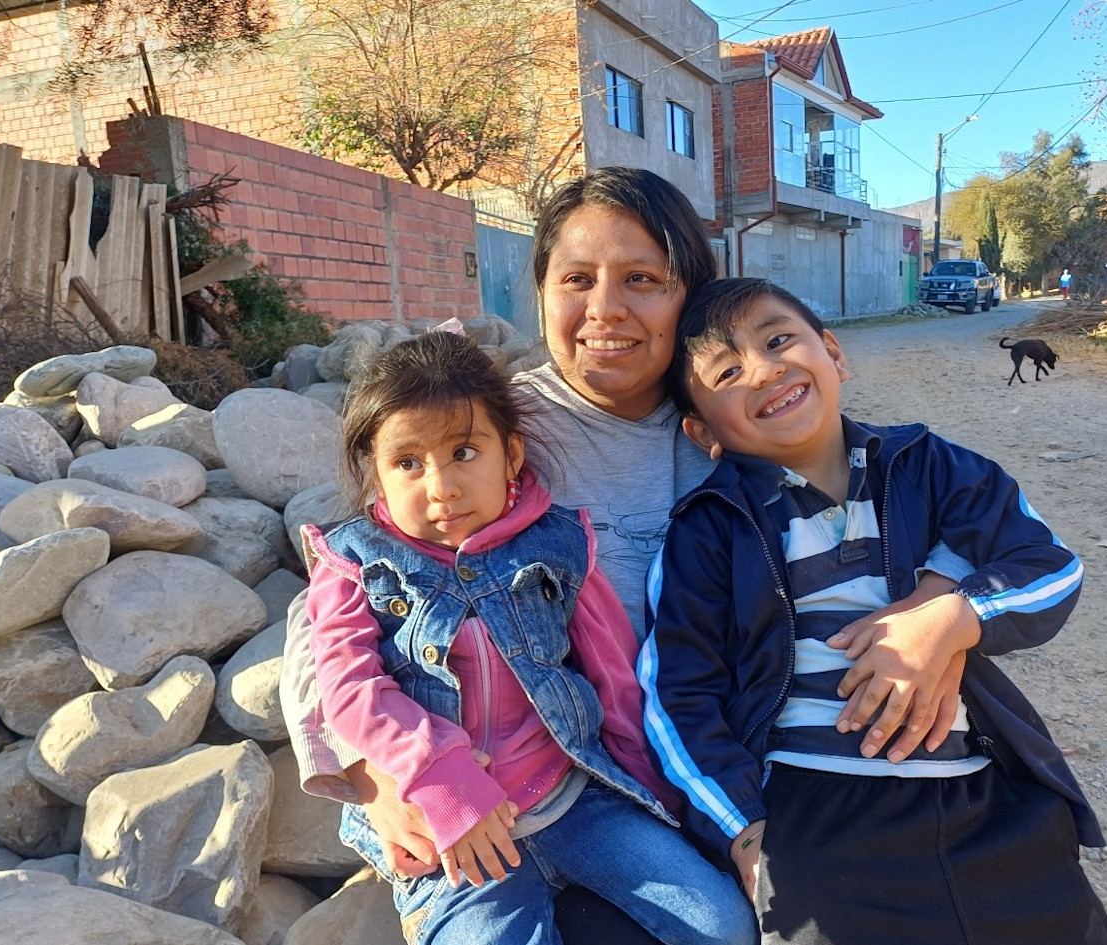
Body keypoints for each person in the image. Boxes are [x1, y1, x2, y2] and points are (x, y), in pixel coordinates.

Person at [279, 168, 964, 943]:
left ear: (690, 295)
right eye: (577, 279)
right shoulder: (487, 433)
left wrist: (943, 607)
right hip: (528, 795)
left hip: (710, 786)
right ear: (542, 291)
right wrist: (374, 772)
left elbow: (907, 516)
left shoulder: (741, 416)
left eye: (642, 279)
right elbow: (337, 599)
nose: (605, 308)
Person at [639, 277, 1107, 945]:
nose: (766, 370)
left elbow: (1049, 564)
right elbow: (677, 693)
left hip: (977, 790)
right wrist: (741, 830)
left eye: (778, 340)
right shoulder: (709, 528)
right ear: (703, 433)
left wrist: (952, 617)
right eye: (728, 372)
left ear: (833, 353)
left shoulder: (929, 465)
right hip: (816, 808)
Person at [302, 331, 756, 945]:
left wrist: (653, 796)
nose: (441, 487)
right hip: (450, 829)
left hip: (575, 801)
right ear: (376, 472)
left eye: (464, 452)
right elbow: (348, 687)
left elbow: (614, 676)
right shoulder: (354, 563)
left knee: (724, 924)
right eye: (407, 463)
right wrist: (437, 773)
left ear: (512, 453)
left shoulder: (557, 544)